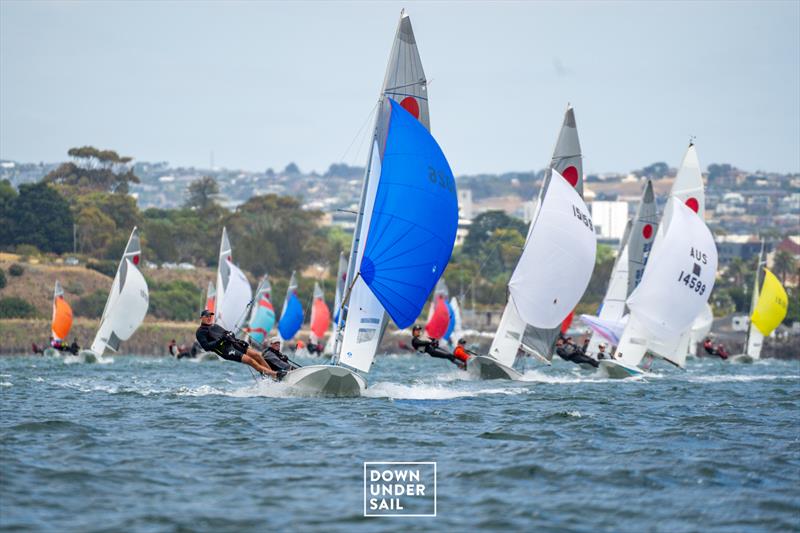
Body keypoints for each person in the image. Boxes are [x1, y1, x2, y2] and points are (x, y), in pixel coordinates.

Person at [195, 310, 281, 378]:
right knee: (250, 361)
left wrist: (234, 337)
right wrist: (220, 341)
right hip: (225, 350)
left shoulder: (215, 326)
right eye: (207, 316)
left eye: (210, 316)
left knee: (257, 355)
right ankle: (274, 374)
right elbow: (206, 347)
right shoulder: (200, 332)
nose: (209, 317)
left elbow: (227, 333)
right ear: (201, 318)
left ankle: (272, 375)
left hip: (234, 344)